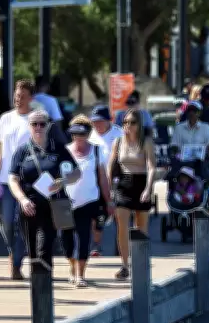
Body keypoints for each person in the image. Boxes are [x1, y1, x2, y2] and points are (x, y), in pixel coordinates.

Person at [7, 110, 80, 275]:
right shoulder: (22, 151)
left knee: (44, 247)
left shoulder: (58, 148)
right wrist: (22, 199)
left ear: (48, 126)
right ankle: (38, 290)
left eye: (42, 124)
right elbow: (13, 179)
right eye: (34, 124)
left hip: (52, 206)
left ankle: (45, 287)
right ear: (29, 126)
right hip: (29, 206)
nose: (38, 127)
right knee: (32, 251)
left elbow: (77, 172)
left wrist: (64, 181)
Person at [0, 79, 36, 280]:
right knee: (7, 223)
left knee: (23, 223)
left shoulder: (36, 119)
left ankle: (16, 264)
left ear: (30, 98)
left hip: (28, 181)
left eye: (22, 97)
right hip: (5, 180)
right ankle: (13, 254)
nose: (18, 100)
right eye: (16, 96)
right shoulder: (5, 118)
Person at [108, 108, 157, 281]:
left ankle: (140, 261)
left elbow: (151, 167)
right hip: (124, 184)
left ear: (139, 125)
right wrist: (109, 190)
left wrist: (148, 189)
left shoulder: (147, 142)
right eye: (126, 122)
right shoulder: (118, 142)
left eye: (132, 122)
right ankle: (124, 264)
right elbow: (111, 166)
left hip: (141, 182)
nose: (128, 126)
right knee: (122, 225)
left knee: (141, 227)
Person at [64, 116, 112, 287]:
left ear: (88, 134)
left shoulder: (97, 151)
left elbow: (103, 179)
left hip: (89, 201)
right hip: (67, 203)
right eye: (75, 134)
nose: (78, 138)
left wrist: (108, 201)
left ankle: (80, 274)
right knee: (66, 240)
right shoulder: (65, 151)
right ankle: (72, 265)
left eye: (82, 134)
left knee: (83, 237)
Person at [88, 105, 123, 256]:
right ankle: (97, 245)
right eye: (94, 122)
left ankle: (120, 247)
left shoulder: (120, 134)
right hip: (97, 180)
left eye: (100, 121)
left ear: (109, 120)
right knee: (97, 215)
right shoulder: (90, 135)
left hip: (117, 179)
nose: (97, 125)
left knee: (119, 215)